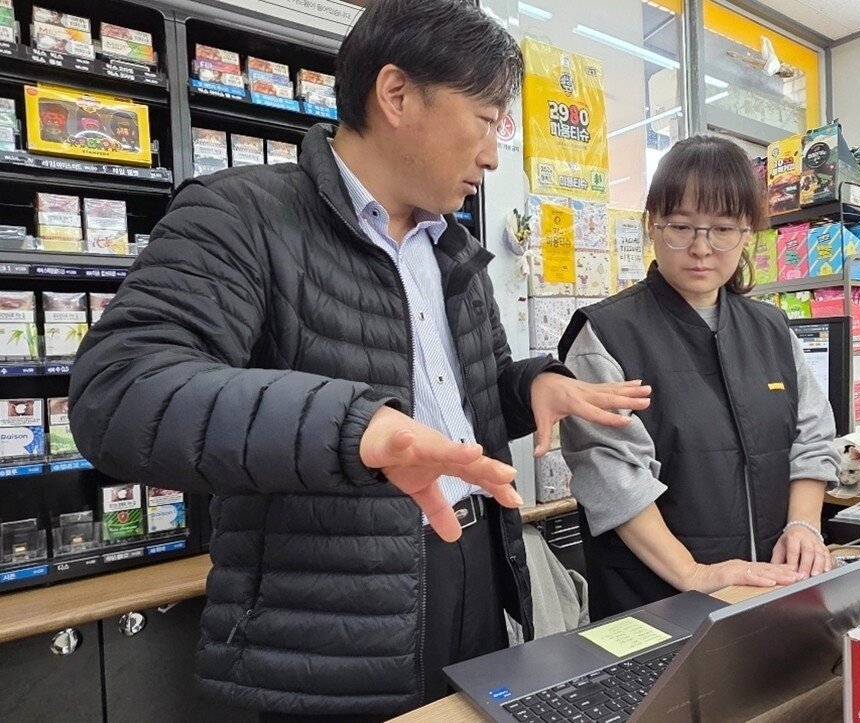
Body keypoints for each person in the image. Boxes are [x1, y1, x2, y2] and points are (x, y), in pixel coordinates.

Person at [68, 1, 650, 720]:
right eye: (487, 119)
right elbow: (120, 394)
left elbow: (460, 405)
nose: (495, 153)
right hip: (323, 627)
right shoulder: (239, 216)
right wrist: (357, 428)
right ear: (398, 94)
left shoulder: (452, 252)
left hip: (470, 575)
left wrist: (532, 385)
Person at [558, 135, 839, 620]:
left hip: (767, 591)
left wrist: (804, 526)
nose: (701, 249)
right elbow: (613, 476)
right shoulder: (606, 334)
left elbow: (811, 439)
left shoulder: (771, 329)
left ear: (748, 233)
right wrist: (695, 574)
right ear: (652, 226)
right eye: (681, 227)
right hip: (654, 603)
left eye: (723, 229)